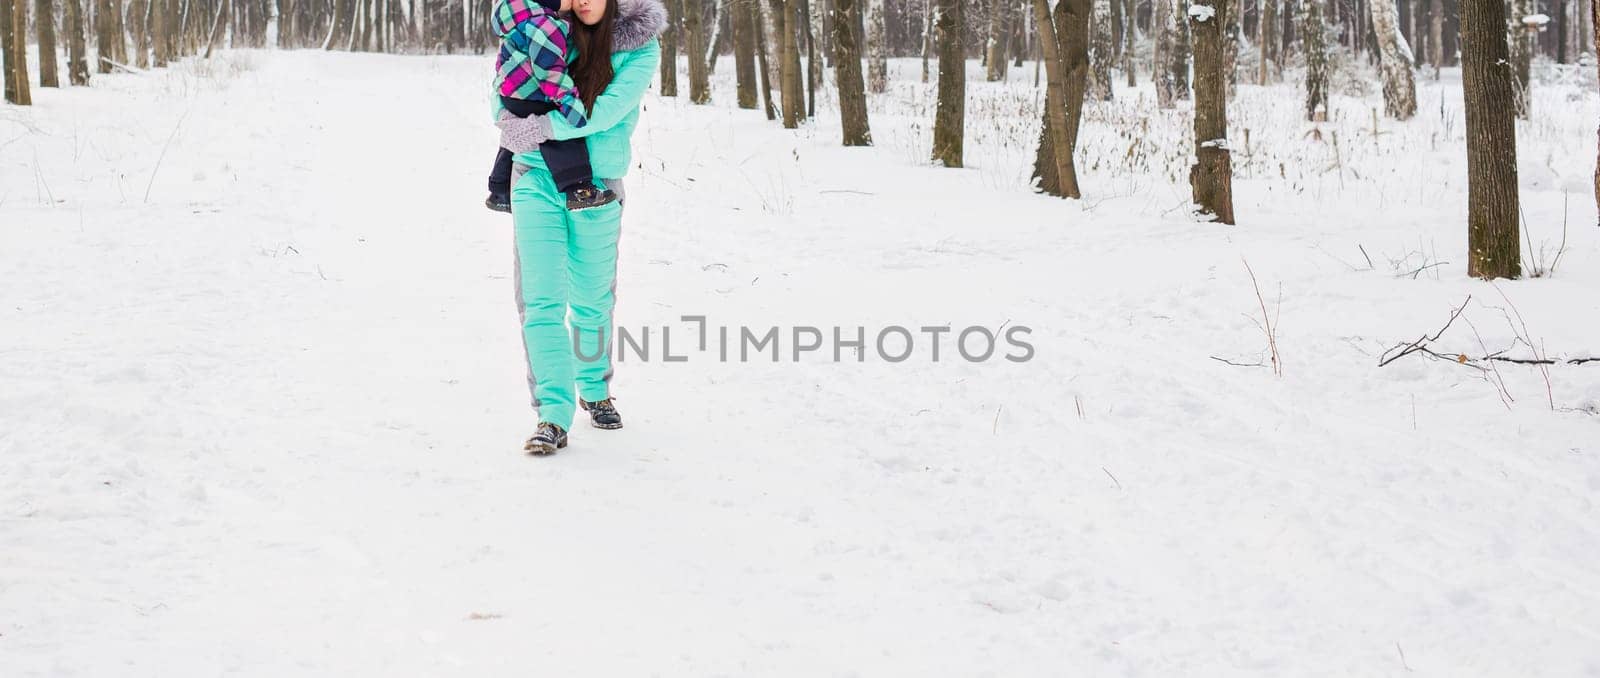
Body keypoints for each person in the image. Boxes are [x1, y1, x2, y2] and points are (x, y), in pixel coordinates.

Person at [493, 0, 664, 455]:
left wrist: (540, 126)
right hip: (534, 177)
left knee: (592, 299)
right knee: (540, 299)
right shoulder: (539, 28)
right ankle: (552, 414)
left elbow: (606, 111)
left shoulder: (640, 46)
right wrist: (508, 122)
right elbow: (503, 86)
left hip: (599, 185)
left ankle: (594, 386)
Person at [484, 0, 617, 213]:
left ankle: (500, 190)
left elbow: (502, 62)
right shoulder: (544, 24)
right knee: (563, 139)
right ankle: (579, 189)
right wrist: (570, 104)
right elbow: (551, 73)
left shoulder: (516, 19)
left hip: (511, 93)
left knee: (516, 134)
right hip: (532, 94)